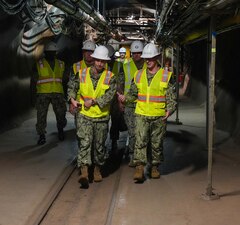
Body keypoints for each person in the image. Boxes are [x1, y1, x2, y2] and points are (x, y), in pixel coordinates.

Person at [118, 43, 176, 182]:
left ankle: (155, 167)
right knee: (140, 141)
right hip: (141, 114)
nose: (148, 61)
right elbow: (132, 94)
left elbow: (171, 97)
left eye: (151, 58)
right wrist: (124, 99)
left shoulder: (166, 76)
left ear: (156, 57)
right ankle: (139, 167)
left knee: (156, 143)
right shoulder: (138, 75)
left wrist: (170, 110)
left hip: (158, 116)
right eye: (146, 58)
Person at [67, 45, 116, 187]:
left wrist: (94, 101)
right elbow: (72, 87)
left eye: (103, 61)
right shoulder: (81, 73)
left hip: (101, 117)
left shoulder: (110, 77)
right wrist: (72, 99)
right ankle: (84, 172)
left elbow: (110, 95)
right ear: (93, 59)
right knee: (84, 143)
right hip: (84, 115)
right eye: (98, 60)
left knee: (99, 146)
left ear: (106, 62)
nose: (100, 64)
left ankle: (97, 169)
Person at [34, 41, 67, 145]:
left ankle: (61, 129)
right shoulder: (39, 64)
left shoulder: (61, 64)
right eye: (49, 52)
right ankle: (41, 135)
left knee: (61, 114)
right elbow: (33, 80)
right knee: (41, 115)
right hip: (43, 93)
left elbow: (65, 80)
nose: (51, 54)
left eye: (53, 52)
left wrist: (66, 94)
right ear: (45, 53)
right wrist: (33, 96)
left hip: (58, 92)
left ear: (56, 52)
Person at [121, 40, 147, 166]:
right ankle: (133, 155)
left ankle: (141, 156)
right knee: (132, 132)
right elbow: (120, 84)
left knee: (142, 133)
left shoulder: (150, 66)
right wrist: (120, 100)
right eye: (134, 53)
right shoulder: (125, 66)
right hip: (129, 104)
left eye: (139, 53)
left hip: (144, 104)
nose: (136, 55)